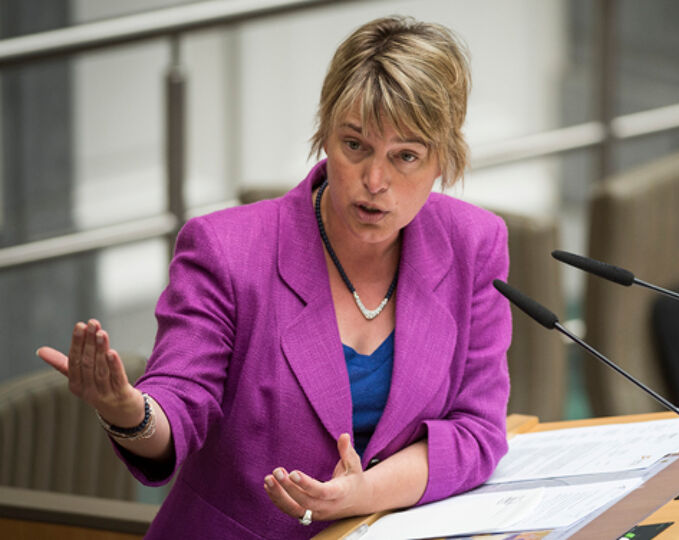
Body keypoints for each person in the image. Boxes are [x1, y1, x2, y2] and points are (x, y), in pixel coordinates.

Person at [37, 15, 511, 539]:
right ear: (325, 134)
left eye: (405, 156)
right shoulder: (226, 250)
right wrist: (130, 413)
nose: (375, 180)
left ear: (444, 159)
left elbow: (477, 431)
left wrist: (361, 494)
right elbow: (179, 399)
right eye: (355, 145)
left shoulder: (473, 244)